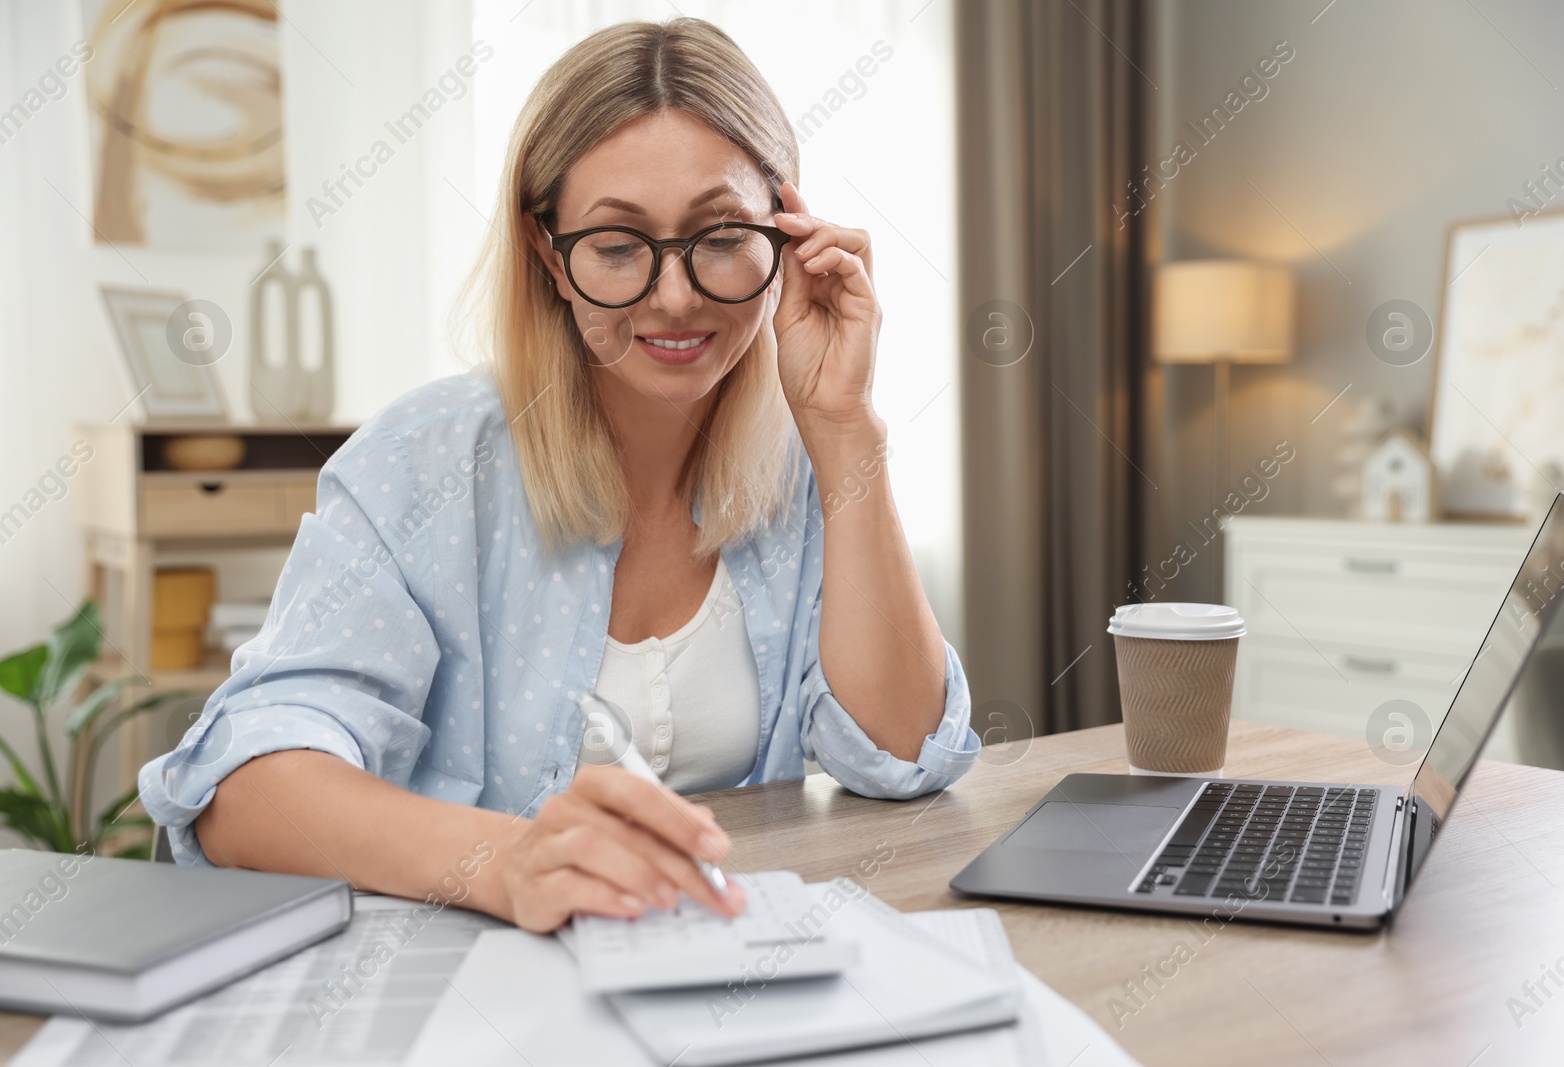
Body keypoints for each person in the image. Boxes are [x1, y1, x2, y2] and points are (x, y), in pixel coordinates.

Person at [138, 16, 978, 935]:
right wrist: (505, 860)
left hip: (729, 971)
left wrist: (847, 431)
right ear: (548, 254)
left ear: (786, 233)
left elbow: (901, 754)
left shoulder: (810, 465)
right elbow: (242, 788)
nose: (674, 296)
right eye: (617, 246)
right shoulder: (424, 462)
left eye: (721, 234)